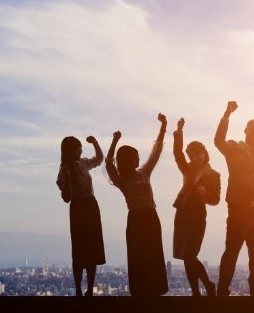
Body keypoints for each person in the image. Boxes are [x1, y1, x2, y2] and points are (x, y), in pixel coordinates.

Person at [106, 114, 169, 297]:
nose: (139, 161)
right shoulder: (121, 180)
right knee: (138, 256)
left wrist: (163, 126)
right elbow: (109, 163)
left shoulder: (144, 173)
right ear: (127, 160)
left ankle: (155, 289)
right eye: (135, 158)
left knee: (154, 253)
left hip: (151, 217)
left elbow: (156, 151)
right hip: (136, 219)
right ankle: (141, 291)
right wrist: (114, 141)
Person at [214, 101, 254, 297]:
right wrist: (227, 115)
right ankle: (222, 291)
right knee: (231, 253)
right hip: (239, 211)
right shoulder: (233, 148)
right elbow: (218, 141)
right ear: (246, 130)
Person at [172, 117, 222, 297]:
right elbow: (177, 153)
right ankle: (195, 292)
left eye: (197, 153)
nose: (194, 157)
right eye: (191, 155)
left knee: (191, 254)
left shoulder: (214, 175)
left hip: (198, 216)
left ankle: (208, 285)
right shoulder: (187, 169)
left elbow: (216, 200)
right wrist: (179, 131)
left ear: (204, 153)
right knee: (185, 256)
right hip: (183, 213)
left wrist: (205, 194)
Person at [57, 135, 106, 297]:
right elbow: (66, 198)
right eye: (78, 147)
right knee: (79, 250)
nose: (81, 149)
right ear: (71, 150)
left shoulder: (83, 163)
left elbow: (99, 159)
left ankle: (90, 288)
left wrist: (95, 143)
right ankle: (79, 288)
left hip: (90, 206)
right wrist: (69, 180)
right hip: (79, 208)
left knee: (92, 249)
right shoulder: (64, 170)